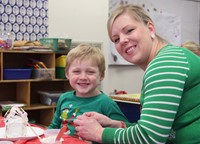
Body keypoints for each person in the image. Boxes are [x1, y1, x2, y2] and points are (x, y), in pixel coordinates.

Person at [74, 4, 200, 144]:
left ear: (150, 28)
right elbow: (157, 131)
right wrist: (115, 124)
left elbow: (149, 138)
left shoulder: (165, 62)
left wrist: (99, 133)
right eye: (116, 39)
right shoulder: (169, 57)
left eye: (129, 30)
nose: (122, 40)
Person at [48, 44, 129, 136]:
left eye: (90, 72)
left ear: (101, 76)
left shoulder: (106, 103)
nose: (83, 77)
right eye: (76, 71)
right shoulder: (64, 98)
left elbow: (123, 133)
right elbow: (54, 127)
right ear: (67, 74)